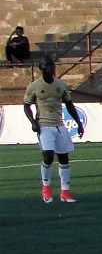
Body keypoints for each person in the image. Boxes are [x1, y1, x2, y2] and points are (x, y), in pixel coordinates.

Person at [23, 55, 83, 203]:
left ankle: (65, 192)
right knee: (48, 156)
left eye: (52, 65)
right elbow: (26, 106)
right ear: (41, 68)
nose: (51, 68)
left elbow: (69, 104)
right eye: (47, 65)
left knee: (64, 158)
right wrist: (33, 122)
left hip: (59, 124)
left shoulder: (61, 85)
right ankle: (46, 189)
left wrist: (79, 123)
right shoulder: (34, 86)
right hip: (44, 125)